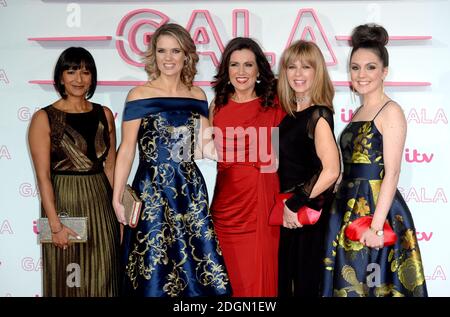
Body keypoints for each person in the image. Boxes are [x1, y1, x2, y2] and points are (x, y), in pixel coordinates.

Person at [112, 23, 231, 297]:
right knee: (153, 266)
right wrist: (117, 197)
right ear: (153, 54)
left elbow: (205, 147)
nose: (168, 57)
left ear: (186, 55)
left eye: (175, 50)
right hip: (151, 190)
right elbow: (127, 149)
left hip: (189, 190)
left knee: (196, 267)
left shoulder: (197, 95)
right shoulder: (139, 94)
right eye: (162, 50)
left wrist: (246, 147)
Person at [322, 24, 428, 297]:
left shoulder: (390, 111)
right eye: (355, 67)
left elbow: (392, 173)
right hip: (347, 207)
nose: (361, 74)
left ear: (384, 72)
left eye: (370, 67)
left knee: (373, 286)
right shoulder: (359, 110)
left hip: (375, 210)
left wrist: (376, 226)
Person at [28, 47, 120, 296]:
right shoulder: (44, 118)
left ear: (93, 77)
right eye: (71, 72)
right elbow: (43, 177)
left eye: (85, 72)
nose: (79, 79)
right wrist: (55, 226)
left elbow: (110, 167)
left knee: (105, 278)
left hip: (101, 204)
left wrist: (119, 213)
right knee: (68, 281)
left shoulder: (105, 115)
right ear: (60, 77)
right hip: (65, 204)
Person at [209, 37, 285, 297]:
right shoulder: (217, 107)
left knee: (258, 281)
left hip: (261, 203)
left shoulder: (276, 105)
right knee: (227, 281)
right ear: (226, 71)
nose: (241, 72)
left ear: (258, 70)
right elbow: (202, 151)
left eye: (248, 65)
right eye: (235, 65)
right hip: (225, 208)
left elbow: (291, 152)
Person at [276, 40, 341, 297]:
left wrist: (296, 203)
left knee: (305, 285)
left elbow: (332, 170)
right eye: (292, 67)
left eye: (306, 67)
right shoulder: (289, 114)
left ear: (318, 72)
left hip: (308, 215)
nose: (298, 74)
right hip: (291, 213)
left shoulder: (319, 115)